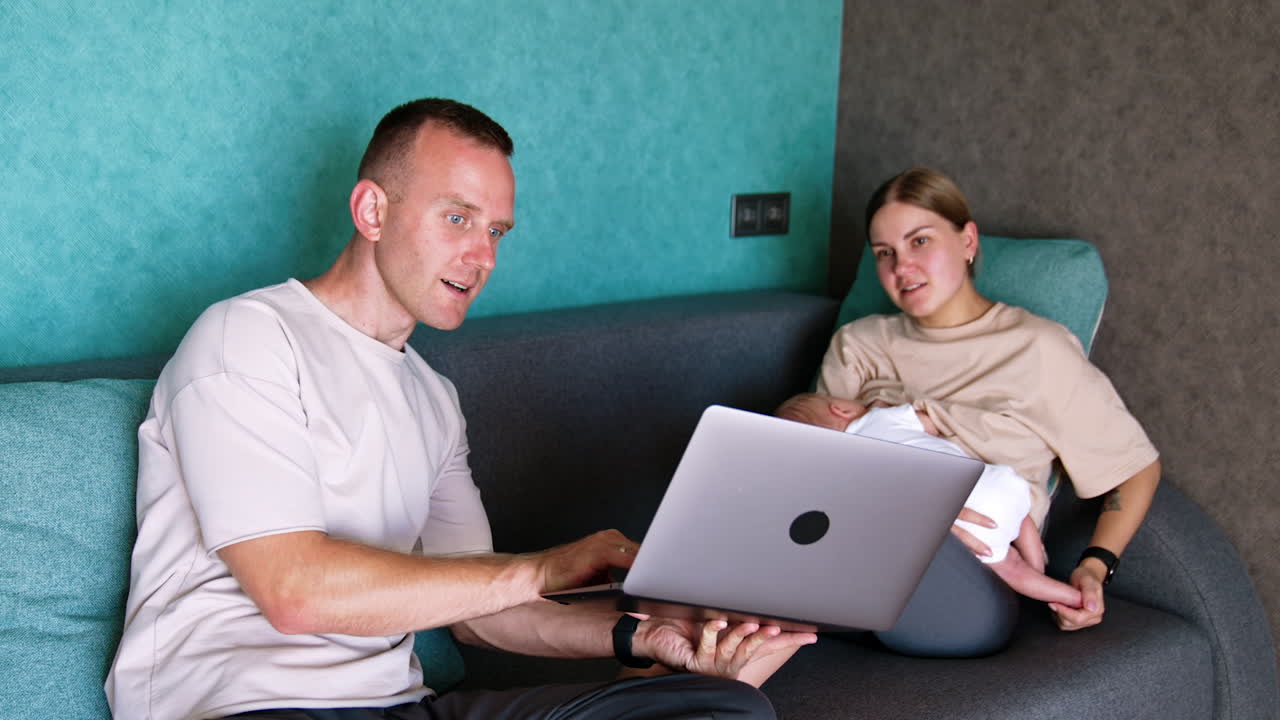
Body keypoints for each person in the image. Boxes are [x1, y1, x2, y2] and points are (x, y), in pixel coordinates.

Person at [104, 98, 814, 720]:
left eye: (497, 231)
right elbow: (294, 591)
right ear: (372, 210)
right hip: (242, 707)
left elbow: (482, 617)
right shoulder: (248, 336)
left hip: (399, 709)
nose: (483, 258)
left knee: (726, 703)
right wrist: (543, 567)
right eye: (457, 218)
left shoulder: (432, 398)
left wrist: (646, 635)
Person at [815, 167, 1161, 657]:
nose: (901, 267)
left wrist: (1093, 566)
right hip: (860, 536)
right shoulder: (859, 344)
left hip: (978, 572)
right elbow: (816, 466)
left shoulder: (1038, 350)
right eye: (884, 254)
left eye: (920, 241)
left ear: (968, 240)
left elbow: (1136, 469)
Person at [775, 392, 1083, 607]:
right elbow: (931, 423)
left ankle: (1070, 598)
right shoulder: (882, 417)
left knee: (1010, 567)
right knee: (1020, 513)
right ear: (841, 408)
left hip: (959, 531)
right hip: (996, 484)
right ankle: (1038, 560)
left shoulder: (844, 472)